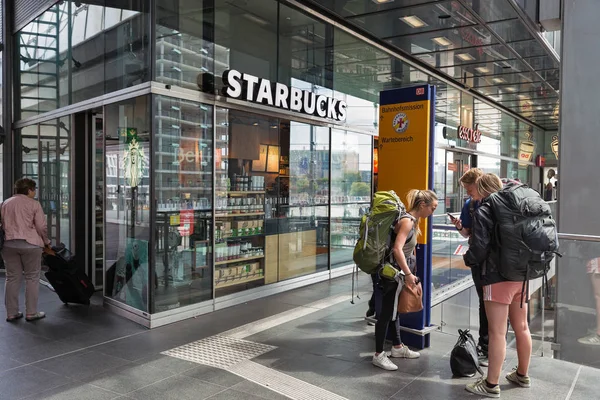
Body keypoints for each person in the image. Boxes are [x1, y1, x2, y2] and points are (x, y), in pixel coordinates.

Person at [464, 174, 533, 398]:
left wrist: (468, 258)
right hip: (523, 275)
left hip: (497, 276)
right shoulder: (518, 207)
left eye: (474, 192)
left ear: (483, 190)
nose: (472, 196)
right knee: (522, 327)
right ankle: (522, 375)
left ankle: (491, 384)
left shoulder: (486, 210)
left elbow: (480, 248)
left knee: (497, 332)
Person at [372, 189, 438, 371]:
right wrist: (409, 275)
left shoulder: (410, 220)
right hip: (392, 274)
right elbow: (397, 249)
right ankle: (378, 355)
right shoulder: (407, 221)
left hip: (396, 274)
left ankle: (398, 347)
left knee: (394, 311)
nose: (433, 212)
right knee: (386, 314)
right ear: (422, 205)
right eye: (432, 208)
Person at [451, 167, 489, 366]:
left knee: (492, 303)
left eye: (469, 188)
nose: (467, 193)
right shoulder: (469, 205)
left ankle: (490, 346)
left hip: (493, 260)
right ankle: (486, 346)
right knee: (484, 302)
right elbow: (466, 233)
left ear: (479, 183)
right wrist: (459, 226)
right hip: (477, 259)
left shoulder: (494, 202)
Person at [1, 178, 51, 322]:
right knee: (32, 278)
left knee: (12, 278)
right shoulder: (34, 204)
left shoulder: (5, 203)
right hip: (30, 244)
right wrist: (46, 242)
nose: (34, 192)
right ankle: (31, 313)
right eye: (34, 189)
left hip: (9, 245)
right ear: (29, 190)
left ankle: (11, 313)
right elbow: (41, 227)